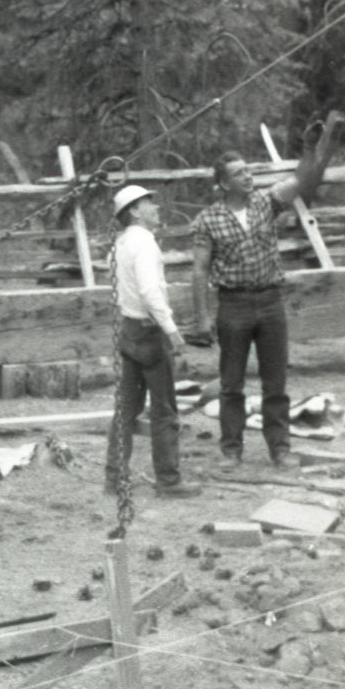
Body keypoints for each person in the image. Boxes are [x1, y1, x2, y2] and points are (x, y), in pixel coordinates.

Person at [188, 113, 345, 469]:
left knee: (276, 383)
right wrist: (200, 317)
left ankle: (280, 449)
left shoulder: (266, 202)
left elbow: (305, 180)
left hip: (270, 301)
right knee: (231, 385)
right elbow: (198, 270)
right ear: (225, 184)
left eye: (248, 170)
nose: (249, 176)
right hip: (233, 306)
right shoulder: (207, 220)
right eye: (240, 173)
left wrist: (308, 147)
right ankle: (231, 450)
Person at [105, 183, 199, 501]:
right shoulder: (144, 244)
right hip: (148, 331)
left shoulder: (119, 244)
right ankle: (169, 481)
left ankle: (114, 477)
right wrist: (171, 329)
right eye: (149, 203)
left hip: (128, 329)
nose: (156, 208)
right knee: (164, 410)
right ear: (134, 210)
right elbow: (149, 291)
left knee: (126, 409)